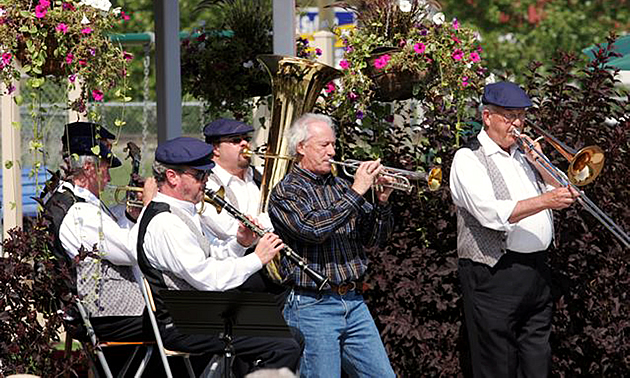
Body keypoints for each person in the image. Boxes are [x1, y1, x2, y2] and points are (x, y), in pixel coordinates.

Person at [135, 136, 301, 376]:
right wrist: (257, 259)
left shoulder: (183, 212)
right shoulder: (165, 222)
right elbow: (207, 278)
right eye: (199, 176)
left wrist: (240, 243)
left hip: (198, 313)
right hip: (182, 322)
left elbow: (210, 256)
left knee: (292, 335)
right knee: (283, 346)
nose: (206, 182)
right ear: (172, 177)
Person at [449, 81, 578, 377]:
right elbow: (492, 215)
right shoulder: (468, 158)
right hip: (495, 273)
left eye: (521, 116)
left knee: (537, 362)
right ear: (487, 116)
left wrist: (539, 162)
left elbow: (564, 190)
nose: (517, 124)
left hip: (536, 272)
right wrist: (546, 200)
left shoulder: (524, 157)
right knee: (497, 364)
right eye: (509, 116)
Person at [267, 113, 396, 377]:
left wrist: (382, 203)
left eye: (333, 145)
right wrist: (357, 191)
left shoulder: (340, 186)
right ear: (301, 147)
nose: (332, 151)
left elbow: (373, 239)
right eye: (323, 145)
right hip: (313, 305)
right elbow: (314, 229)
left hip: (354, 301)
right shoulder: (287, 191)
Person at [43, 122, 155, 342]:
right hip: (108, 315)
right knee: (186, 325)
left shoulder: (72, 201)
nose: (109, 178)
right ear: (88, 167)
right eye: (104, 167)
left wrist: (131, 215)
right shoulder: (79, 211)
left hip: (109, 312)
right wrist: (151, 207)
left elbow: (108, 230)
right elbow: (133, 251)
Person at [200, 118, 270, 240]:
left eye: (246, 139)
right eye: (236, 140)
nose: (244, 144)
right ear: (216, 148)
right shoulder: (207, 184)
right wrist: (276, 220)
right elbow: (230, 232)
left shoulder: (260, 173)